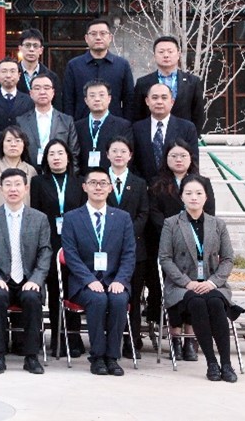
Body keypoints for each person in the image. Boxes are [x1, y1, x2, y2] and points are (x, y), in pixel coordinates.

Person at [159, 174, 238, 383]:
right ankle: (212, 363)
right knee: (197, 303)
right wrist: (187, 282)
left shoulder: (218, 224)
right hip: (182, 286)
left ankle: (226, 364)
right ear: (181, 197)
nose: (194, 197)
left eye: (198, 193)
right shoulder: (171, 223)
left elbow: (228, 258)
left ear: (206, 197)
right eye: (189, 193)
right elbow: (165, 258)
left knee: (215, 302)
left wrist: (212, 282)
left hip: (212, 283)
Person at [61, 168, 136, 376]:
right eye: (93, 183)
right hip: (84, 282)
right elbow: (71, 255)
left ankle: (112, 357)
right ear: (84, 187)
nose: (98, 187)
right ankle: (97, 357)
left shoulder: (122, 218)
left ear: (110, 188)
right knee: (98, 299)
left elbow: (129, 253)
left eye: (103, 183)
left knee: (119, 301)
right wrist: (88, 280)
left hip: (115, 280)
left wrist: (121, 280)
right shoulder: (72, 218)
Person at [0, 168, 52, 375]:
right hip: (1, 278)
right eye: (8, 185)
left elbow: (45, 252)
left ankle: (31, 357)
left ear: (26, 188)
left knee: (32, 298)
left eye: (18, 184)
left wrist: (36, 279)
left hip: (28, 278)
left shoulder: (39, 218)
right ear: (1, 189)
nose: (13, 189)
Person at [146, 138, 205, 356]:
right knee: (172, 290)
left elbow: (209, 213)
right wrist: (174, 233)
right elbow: (154, 214)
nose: (178, 160)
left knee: (194, 289)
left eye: (183, 156)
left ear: (191, 158)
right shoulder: (157, 184)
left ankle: (191, 339)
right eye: (173, 156)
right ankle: (175, 339)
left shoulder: (202, 183)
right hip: (165, 245)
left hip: (195, 247)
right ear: (166, 159)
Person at [29, 139, 85, 357]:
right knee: (54, 292)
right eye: (51, 154)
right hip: (49, 242)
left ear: (68, 157)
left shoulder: (79, 182)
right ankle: (57, 338)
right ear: (46, 158)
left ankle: (74, 337)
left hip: (74, 243)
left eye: (60, 153)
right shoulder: (38, 182)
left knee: (73, 289)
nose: (56, 158)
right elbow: (36, 214)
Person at [105, 136, 150, 358]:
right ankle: (108, 340)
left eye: (123, 151)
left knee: (132, 298)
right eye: (114, 150)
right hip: (105, 249)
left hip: (135, 250)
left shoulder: (139, 183)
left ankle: (132, 341)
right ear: (107, 155)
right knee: (109, 296)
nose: (119, 155)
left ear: (130, 155)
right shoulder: (99, 180)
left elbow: (143, 213)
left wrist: (126, 235)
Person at [61, 19, 135, 120]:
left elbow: (129, 100)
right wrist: (70, 125)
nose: (98, 37)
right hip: (81, 125)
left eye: (103, 33)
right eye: (93, 34)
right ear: (86, 38)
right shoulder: (74, 65)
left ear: (110, 37)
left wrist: (126, 124)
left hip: (115, 125)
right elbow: (68, 100)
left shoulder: (122, 65)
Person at [131, 36, 206, 133]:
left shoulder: (192, 82)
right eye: (161, 52)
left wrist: (192, 137)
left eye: (170, 51)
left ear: (178, 55)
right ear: (154, 56)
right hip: (152, 136)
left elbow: (198, 115)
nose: (166, 55)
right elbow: (136, 114)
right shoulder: (143, 83)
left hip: (183, 137)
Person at [131, 83, 200, 183]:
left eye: (164, 98)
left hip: (176, 187)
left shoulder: (187, 128)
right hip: (145, 187)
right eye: (155, 98)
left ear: (172, 102)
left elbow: (193, 162)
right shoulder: (136, 128)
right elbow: (132, 162)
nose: (159, 102)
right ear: (147, 101)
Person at [16, 75, 80, 168]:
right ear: (31, 93)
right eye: (37, 88)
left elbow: (74, 153)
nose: (42, 92)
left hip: (59, 172)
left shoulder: (66, 121)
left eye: (46, 88)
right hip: (30, 172)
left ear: (53, 92)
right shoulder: (21, 121)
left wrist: (71, 175)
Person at [0, 127, 38, 219]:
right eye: (9, 140)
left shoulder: (31, 171)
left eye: (18, 141)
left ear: (24, 144)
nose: (13, 144)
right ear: (1, 144)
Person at [74, 80, 133, 174]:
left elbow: (128, 156)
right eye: (92, 95)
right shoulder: (77, 126)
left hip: (111, 178)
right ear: (86, 100)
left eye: (101, 95)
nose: (97, 99)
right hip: (84, 178)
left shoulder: (123, 126)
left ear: (109, 98)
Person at [15, 29, 61, 108]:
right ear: (20, 48)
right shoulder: (11, 75)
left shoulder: (52, 77)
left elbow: (57, 106)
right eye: (27, 45)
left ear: (41, 50)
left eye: (35, 46)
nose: (31, 49)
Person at [0, 58, 35, 131]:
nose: (8, 75)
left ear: (19, 75)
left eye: (12, 71)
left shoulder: (28, 100)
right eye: (4, 71)